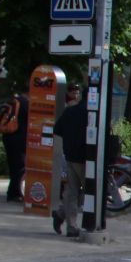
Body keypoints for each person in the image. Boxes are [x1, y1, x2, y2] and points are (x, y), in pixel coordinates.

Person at [51, 86, 87, 237]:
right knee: (89, 191)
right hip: (87, 159)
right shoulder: (94, 114)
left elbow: (57, 129)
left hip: (70, 156)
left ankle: (68, 223)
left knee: (72, 191)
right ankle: (62, 216)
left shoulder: (70, 111)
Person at [0, 91, 28, 203]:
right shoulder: (26, 104)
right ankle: (15, 194)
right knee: (20, 167)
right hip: (20, 139)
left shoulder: (13, 102)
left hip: (8, 137)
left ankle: (12, 192)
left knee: (14, 166)